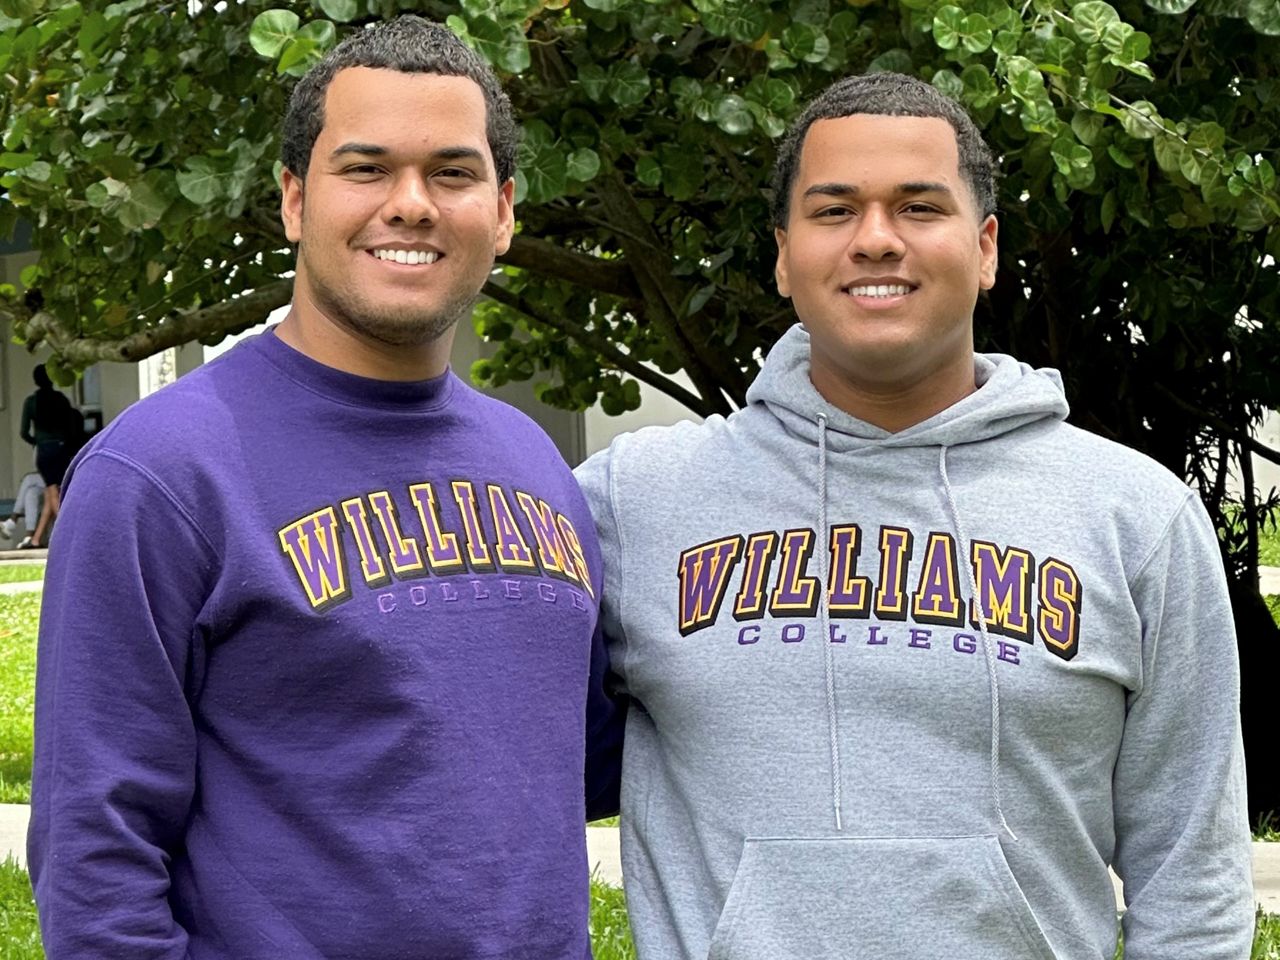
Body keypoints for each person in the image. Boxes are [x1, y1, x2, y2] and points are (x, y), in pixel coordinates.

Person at [575, 72, 1253, 960]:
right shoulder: (632, 500)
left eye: (920, 206)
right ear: (783, 255)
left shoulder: (1136, 517)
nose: (877, 240)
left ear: (985, 248)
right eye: (834, 210)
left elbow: (1193, 870)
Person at [29, 16, 620, 960]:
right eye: (366, 168)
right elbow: (96, 853)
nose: (411, 204)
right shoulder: (162, 473)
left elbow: (576, 765)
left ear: (504, 211)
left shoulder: (534, 462)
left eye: (453, 173)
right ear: (296, 200)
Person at [18, 363, 78, 548]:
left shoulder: (31, 402)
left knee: (52, 493)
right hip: (61, 448)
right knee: (52, 492)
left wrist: (36, 441)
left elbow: (24, 432)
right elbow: (72, 426)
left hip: (43, 449)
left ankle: (69, 534)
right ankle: (36, 539)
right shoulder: (61, 399)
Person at [1, 466, 46, 545]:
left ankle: (13, 520)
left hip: (59, 479)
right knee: (31, 494)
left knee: (28, 479)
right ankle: (29, 536)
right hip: (46, 482)